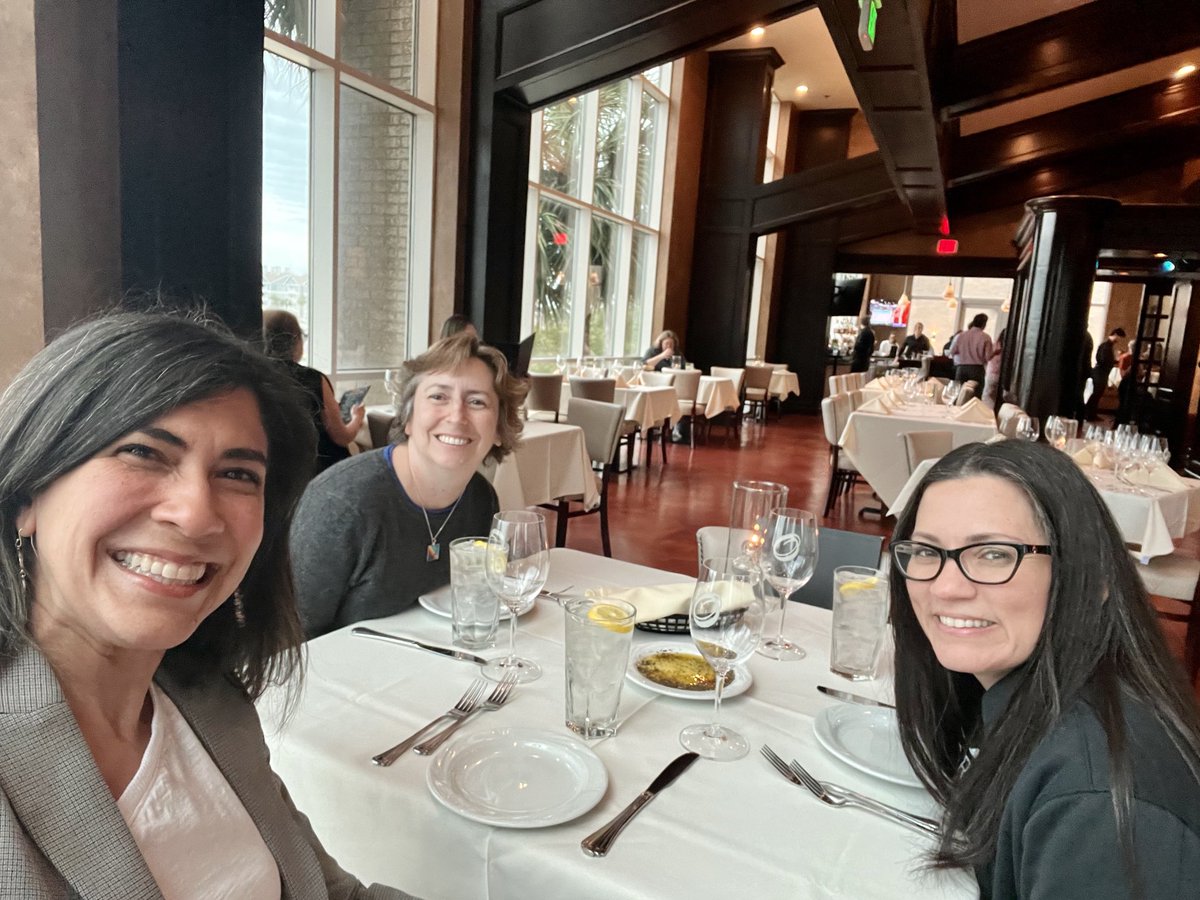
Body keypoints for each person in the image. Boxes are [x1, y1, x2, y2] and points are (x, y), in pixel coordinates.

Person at [0, 310, 412, 897]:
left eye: (238, 473)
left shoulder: (207, 697)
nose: (196, 513)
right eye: (142, 452)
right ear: (26, 496)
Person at [889, 441, 1200, 899]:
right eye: (926, 550)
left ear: (1093, 578)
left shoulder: (1098, 807)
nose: (946, 586)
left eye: (994, 553)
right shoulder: (1033, 701)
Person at [290, 333, 525, 638]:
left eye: (477, 401)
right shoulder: (342, 504)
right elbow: (288, 643)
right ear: (409, 418)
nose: (457, 416)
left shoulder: (482, 501)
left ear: (498, 429)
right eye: (438, 396)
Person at [263, 309, 365, 476]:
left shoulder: (253, 378)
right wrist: (357, 418)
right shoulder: (312, 379)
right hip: (319, 473)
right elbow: (341, 437)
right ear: (295, 340)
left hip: (274, 473)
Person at [1084, 327, 1127, 420]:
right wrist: (1113, 362)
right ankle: (1089, 414)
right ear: (1115, 335)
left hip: (1101, 372)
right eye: (1119, 338)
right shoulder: (1106, 346)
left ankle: (1091, 414)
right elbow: (1102, 359)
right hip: (1100, 373)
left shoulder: (1107, 345)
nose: (1119, 341)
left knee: (1097, 394)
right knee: (1096, 394)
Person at [950, 313, 992, 384]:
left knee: (960, 392)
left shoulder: (961, 335)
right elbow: (988, 357)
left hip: (961, 368)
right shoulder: (986, 337)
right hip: (977, 369)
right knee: (976, 393)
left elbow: (952, 351)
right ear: (984, 324)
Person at [982, 327, 1005, 409]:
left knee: (987, 396)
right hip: (1004, 376)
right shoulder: (1013, 348)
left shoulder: (994, 345)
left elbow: (988, 357)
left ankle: (988, 414)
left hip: (991, 373)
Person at [1115, 346, 1136, 425]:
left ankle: (1119, 423)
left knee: (1123, 403)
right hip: (1127, 382)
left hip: (1125, 382)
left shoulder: (1126, 357)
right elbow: (1122, 371)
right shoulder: (1126, 357)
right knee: (1125, 403)